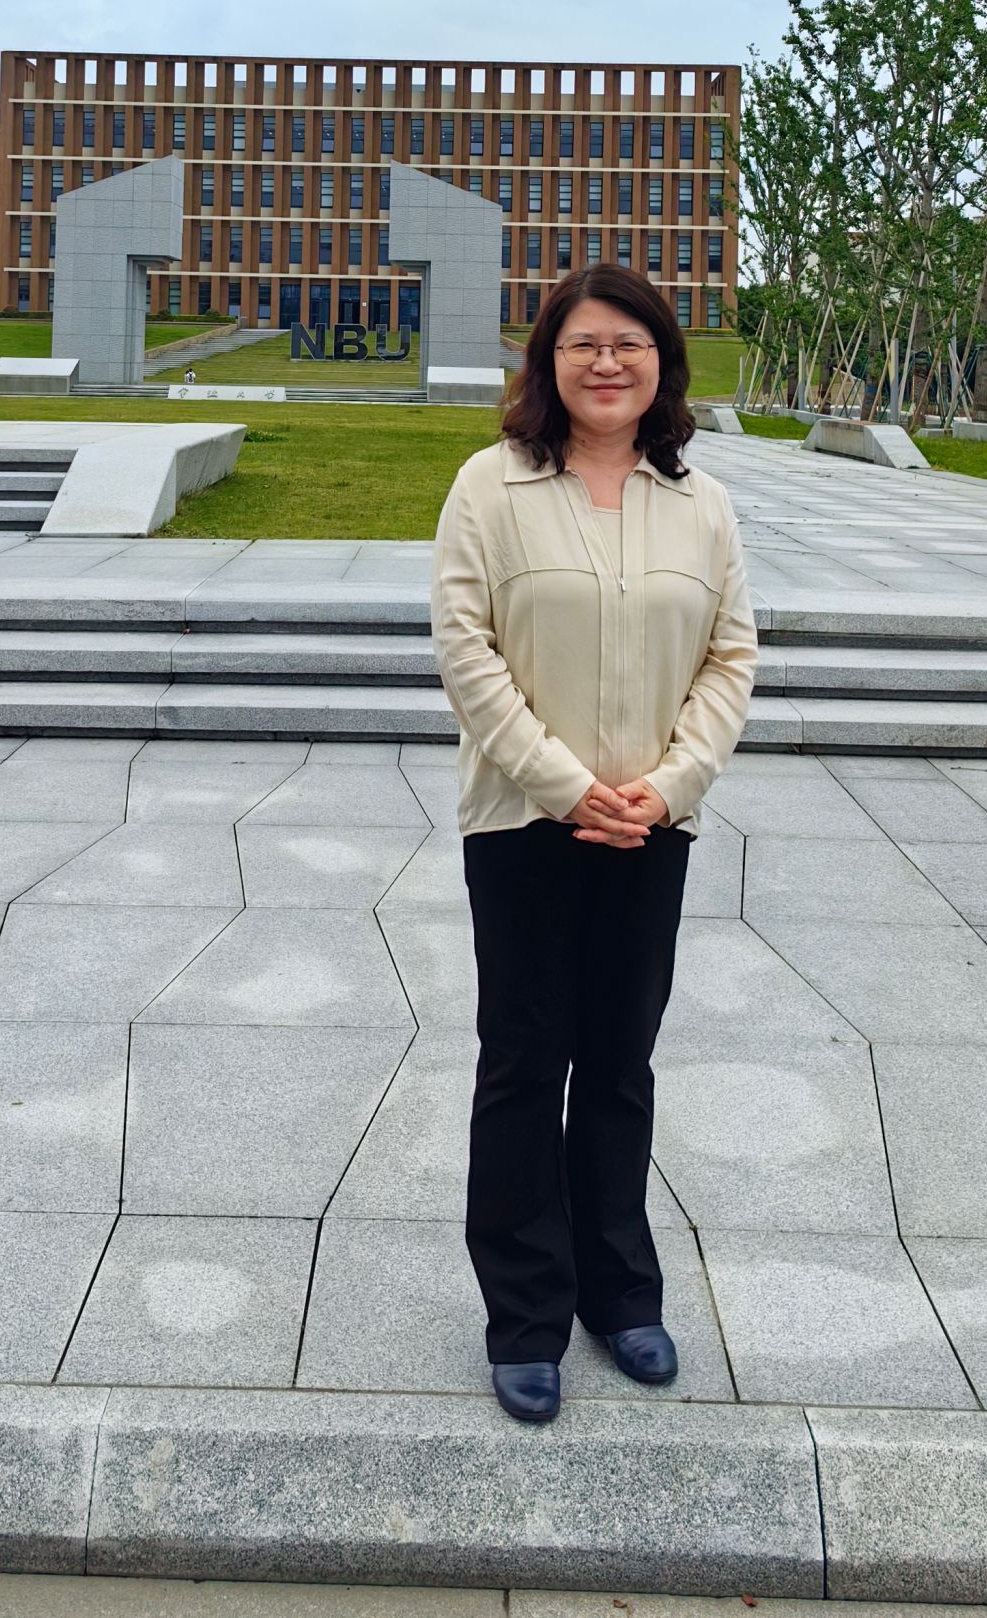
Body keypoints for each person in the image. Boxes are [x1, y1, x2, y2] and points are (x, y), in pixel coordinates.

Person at [430, 263, 758, 1425]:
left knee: (619, 1063)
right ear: (548, 362)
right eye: (583, 344)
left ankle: (618, 1294)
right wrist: (566, 786)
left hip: (648, 827)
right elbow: (465, 649)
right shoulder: (490, 487)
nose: (606, 363)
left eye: (628, 343)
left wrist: (667, 788)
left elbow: (729, 656)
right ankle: (524, 1315)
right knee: (524, 1063)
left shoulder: (699, 503)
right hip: (524, 821)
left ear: (661, 363)